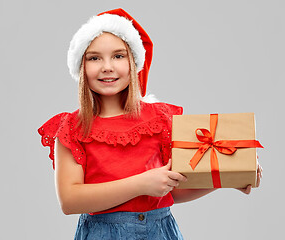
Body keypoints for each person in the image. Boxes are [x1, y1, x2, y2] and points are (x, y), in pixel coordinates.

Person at [37, 8, 262, 239]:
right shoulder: (72, 127)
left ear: (134, 62)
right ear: (81, 67)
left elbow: (172, 190)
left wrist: (227, 177)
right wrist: (142, 184)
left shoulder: (159, 119)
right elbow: (70, 200)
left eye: (118, 56)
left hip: (160, 231)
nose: (107, 66)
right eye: (94, 58)